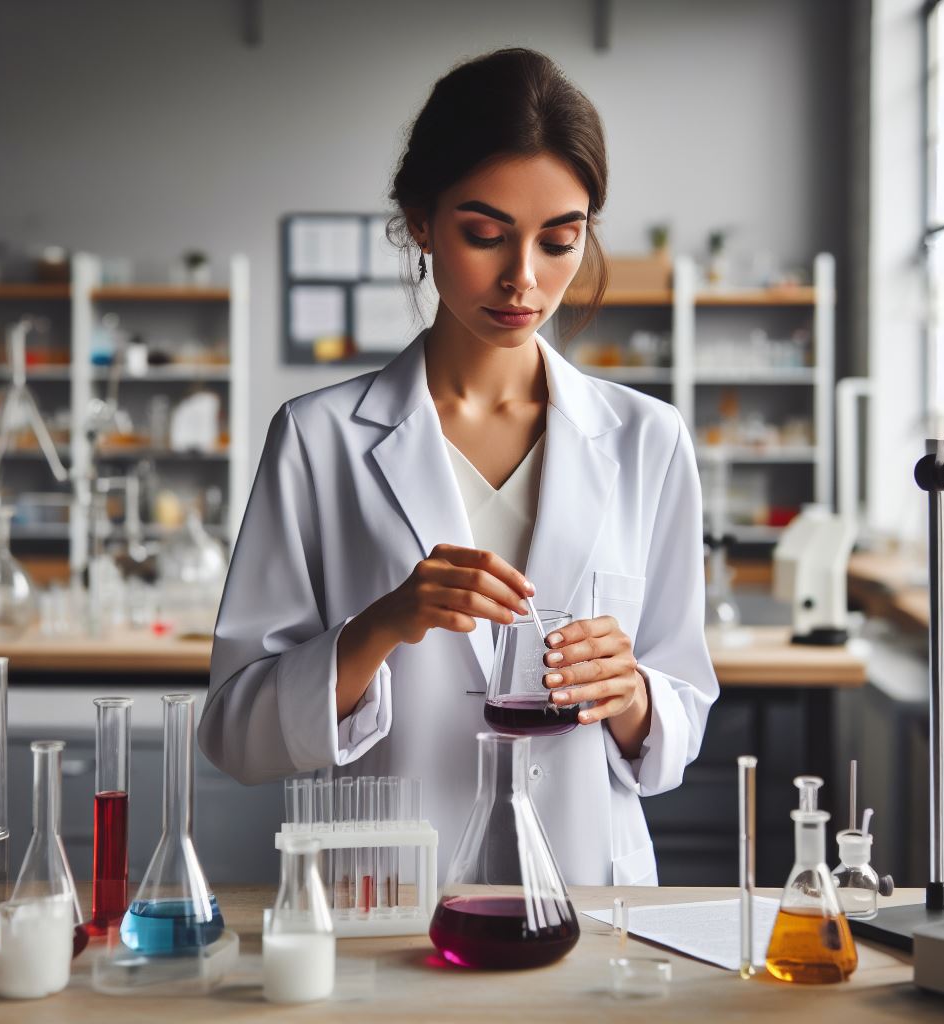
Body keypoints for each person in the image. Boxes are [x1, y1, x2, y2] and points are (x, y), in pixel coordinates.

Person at [200, 47, 718, 886]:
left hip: (591, 900)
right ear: (420, 221)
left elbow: (680, 722)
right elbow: (237, 733)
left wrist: (631, 696)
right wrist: (382, 625)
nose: (524, 280)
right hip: (393, 900)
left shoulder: (646, 439)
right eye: (485, 234)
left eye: (560, 241)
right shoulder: (317, 438)